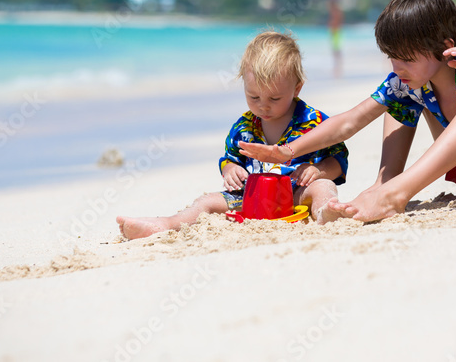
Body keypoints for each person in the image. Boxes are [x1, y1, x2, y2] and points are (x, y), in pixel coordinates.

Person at [239, 0, 456, 223]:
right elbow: (351, 121)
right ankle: (386, 183)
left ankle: (395, 194)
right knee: (398, 95)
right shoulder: (406, 78)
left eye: (406, 58)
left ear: (445, 45)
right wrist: (288, 151)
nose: (397, 67)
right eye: (391, 57)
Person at [116, 31, 349, 239]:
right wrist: (230, 170)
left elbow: (339, 158)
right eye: (254, 97)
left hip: (296, 195)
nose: (263, 106)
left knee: (323, 186)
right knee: (206, 200)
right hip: (251, 198)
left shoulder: (314, 122)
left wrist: (319, 171)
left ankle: (324, 213)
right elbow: (229, 158)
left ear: (297, 88)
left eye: (274, 99)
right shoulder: (244, 127)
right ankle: (166, 224)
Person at [328, 0, 344, 78]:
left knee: (336, 51)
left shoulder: (336, 11)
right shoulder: (336, 11)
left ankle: (338, 69)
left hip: (335, 32)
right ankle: (337, 68)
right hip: (335, 32)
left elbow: (338, 22)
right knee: (336, 51)